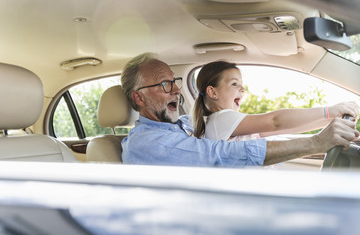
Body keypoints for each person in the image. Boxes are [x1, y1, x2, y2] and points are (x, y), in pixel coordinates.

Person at [120, 52, 359, 167]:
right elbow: (273, 122)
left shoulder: (183, 124)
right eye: (165, 84)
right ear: (139, 97)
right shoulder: (148, 143)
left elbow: (276, 128)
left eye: (175, 81)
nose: (175, 90)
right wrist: (320, 133)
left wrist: (328, 124)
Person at [193, 60, 359, 142]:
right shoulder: (221, 119)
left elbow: (289, 127)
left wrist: (330, 121)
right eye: (234, 84)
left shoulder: (228, 123)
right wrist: (328, 111)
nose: (243, 89)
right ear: (212, 92)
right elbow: (275, 121)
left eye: (242, 85)